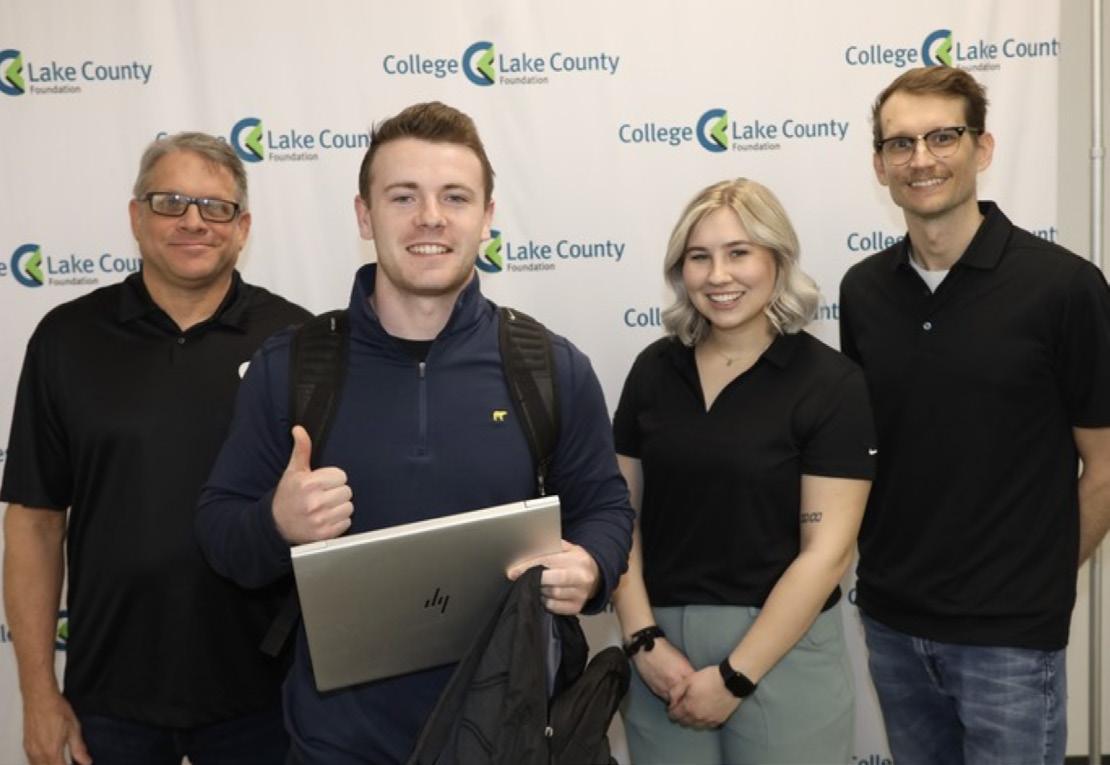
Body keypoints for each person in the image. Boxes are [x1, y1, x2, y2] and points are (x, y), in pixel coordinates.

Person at [194, 101, 634, 765]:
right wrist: (276, 522)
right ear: (364, 215)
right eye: (403, 196)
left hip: (507, 737)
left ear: (486, 216)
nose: (430, 216)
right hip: (338, 746)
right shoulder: (292, 367)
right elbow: (220, 532)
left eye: (455, 196)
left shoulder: (549, 366)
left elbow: (605, 506)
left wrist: (592, 565)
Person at [1, 132, 311, 765]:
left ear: (242, 227)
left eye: (215, 206)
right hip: (109, 700)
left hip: (265, 697)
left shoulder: (296, 342)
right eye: (170, 201)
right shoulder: (66, 338)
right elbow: (34, 523)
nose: (193, 221)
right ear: (136, 217)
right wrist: (37, 693)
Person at [840, 65, 1110, 765]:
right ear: (879, 164)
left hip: (1010, 638)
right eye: (900, 143)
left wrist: (1043, 581)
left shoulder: (1065, 287)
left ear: (982, 148)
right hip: (892, 623)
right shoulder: (863, 291)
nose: (921, 158)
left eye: (943, 136)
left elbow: (1105, 464)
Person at [611, 178, 876, 764]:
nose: (718, 275)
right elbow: (617, 517)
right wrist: (641, 639)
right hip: (661, 656)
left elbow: (827, 554)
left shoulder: (830, 384)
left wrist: (735, 675)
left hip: (783, 651)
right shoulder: (654, 371)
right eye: (699, 257)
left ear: (777, 260)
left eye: (739, 253)